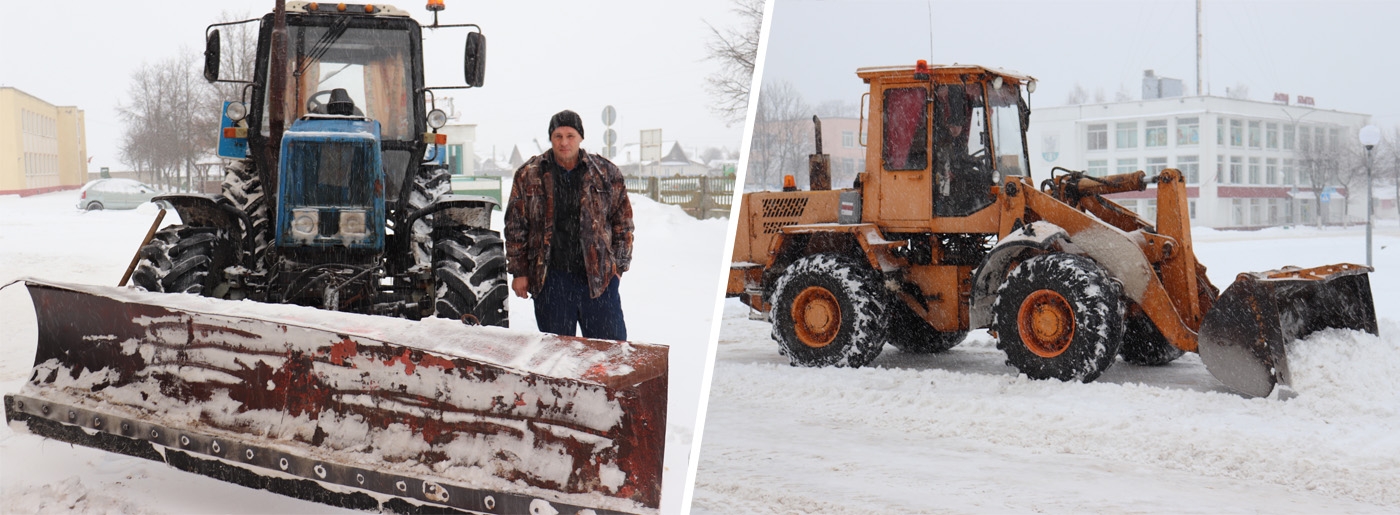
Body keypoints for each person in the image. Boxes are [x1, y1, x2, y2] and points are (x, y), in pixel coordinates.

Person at [504, 110, 634, 340]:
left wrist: (618, 269)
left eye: (570, 135)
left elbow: (622, 223)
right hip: (551, 280)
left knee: (609, 352)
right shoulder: (529, 174)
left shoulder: (605, 172)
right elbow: (516, 227)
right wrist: (520, 271)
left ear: (581, 137)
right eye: (558, 136)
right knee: (558, 358)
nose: (564, 142)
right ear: (551, 138)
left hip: (597, 280)